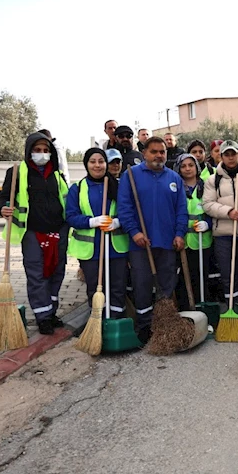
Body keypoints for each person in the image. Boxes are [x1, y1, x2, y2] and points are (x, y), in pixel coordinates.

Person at [117, 136, 188, 343]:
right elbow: (124, 207)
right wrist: (134, 232)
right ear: (145, 153)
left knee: (167, 284)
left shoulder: (174, 178)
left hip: (167, 243)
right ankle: (145, 326)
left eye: (162, 152)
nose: (159, 155)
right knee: (142, 284)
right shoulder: (131, 176)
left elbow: (181, 210)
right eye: (154, 151)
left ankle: (164, 324)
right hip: (141, 243)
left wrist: (179, 233)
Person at [0, 132, 70, 335]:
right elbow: (4, 198)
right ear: (29, 151)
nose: (42, 154)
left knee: (57, 271)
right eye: (37, 150)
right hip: (31, 233)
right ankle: (42, 317)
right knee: (37, 274)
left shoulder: (57, 173)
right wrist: (3, 208)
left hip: (58, 231)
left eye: (46, 150)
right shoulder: (16, 172)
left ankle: (51, 311)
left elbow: (65, 199)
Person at [66, 148, 128, 319]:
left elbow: (130, 212)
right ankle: (97, 324)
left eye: (101, 161)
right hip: (90, 252)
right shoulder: (77, 189)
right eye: (93, 162)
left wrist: (118, 222)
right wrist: (91, 221)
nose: (97, 165)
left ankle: (116, 324)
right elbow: (70, 216)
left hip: (116, 249)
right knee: (94, 288)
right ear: (86, 164)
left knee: (117, 288)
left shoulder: (120, 187)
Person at [202, 140, 238, 308]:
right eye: (226, 155)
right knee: (228, 275)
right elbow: (207, 204)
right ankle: (231, 308)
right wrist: (228, 212)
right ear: (221, 157)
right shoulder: (213, 180)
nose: (230, 158)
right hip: (223, 236)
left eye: (233, 154)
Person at [174, 153, 212, 311]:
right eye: (183, 166)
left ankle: (205, 311)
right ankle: (187, 311)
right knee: (183, 278)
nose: (187, 169)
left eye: (191, 165)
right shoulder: (175, 188)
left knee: (202, 277)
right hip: (183, 242)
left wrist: (208, 223)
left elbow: (213, 208)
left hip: (203, 241)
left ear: (196, 167)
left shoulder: (207, 186)